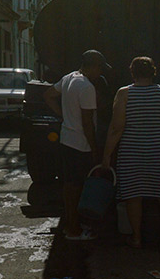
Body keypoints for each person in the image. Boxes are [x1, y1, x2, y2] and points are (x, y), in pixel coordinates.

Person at [101, 56, 160, 249]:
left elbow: (116, 128)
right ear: (153, 72)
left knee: (133, 195)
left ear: (132, 73)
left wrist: (106, 155)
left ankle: (137, 238)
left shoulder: (124, 94)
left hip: (131, 154)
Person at [43, 49, 110, 241]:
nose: (101, 73)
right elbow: (88, 123)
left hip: (66, 140)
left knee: (69, 187)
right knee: (77, 188)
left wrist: (64, 115)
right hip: (81, 144)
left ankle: (71, 225)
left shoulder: (69, 78)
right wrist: (95, 148)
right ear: (93, 66)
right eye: (100, 69)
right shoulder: (87, 87)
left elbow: (47, 95)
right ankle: (74, 230)